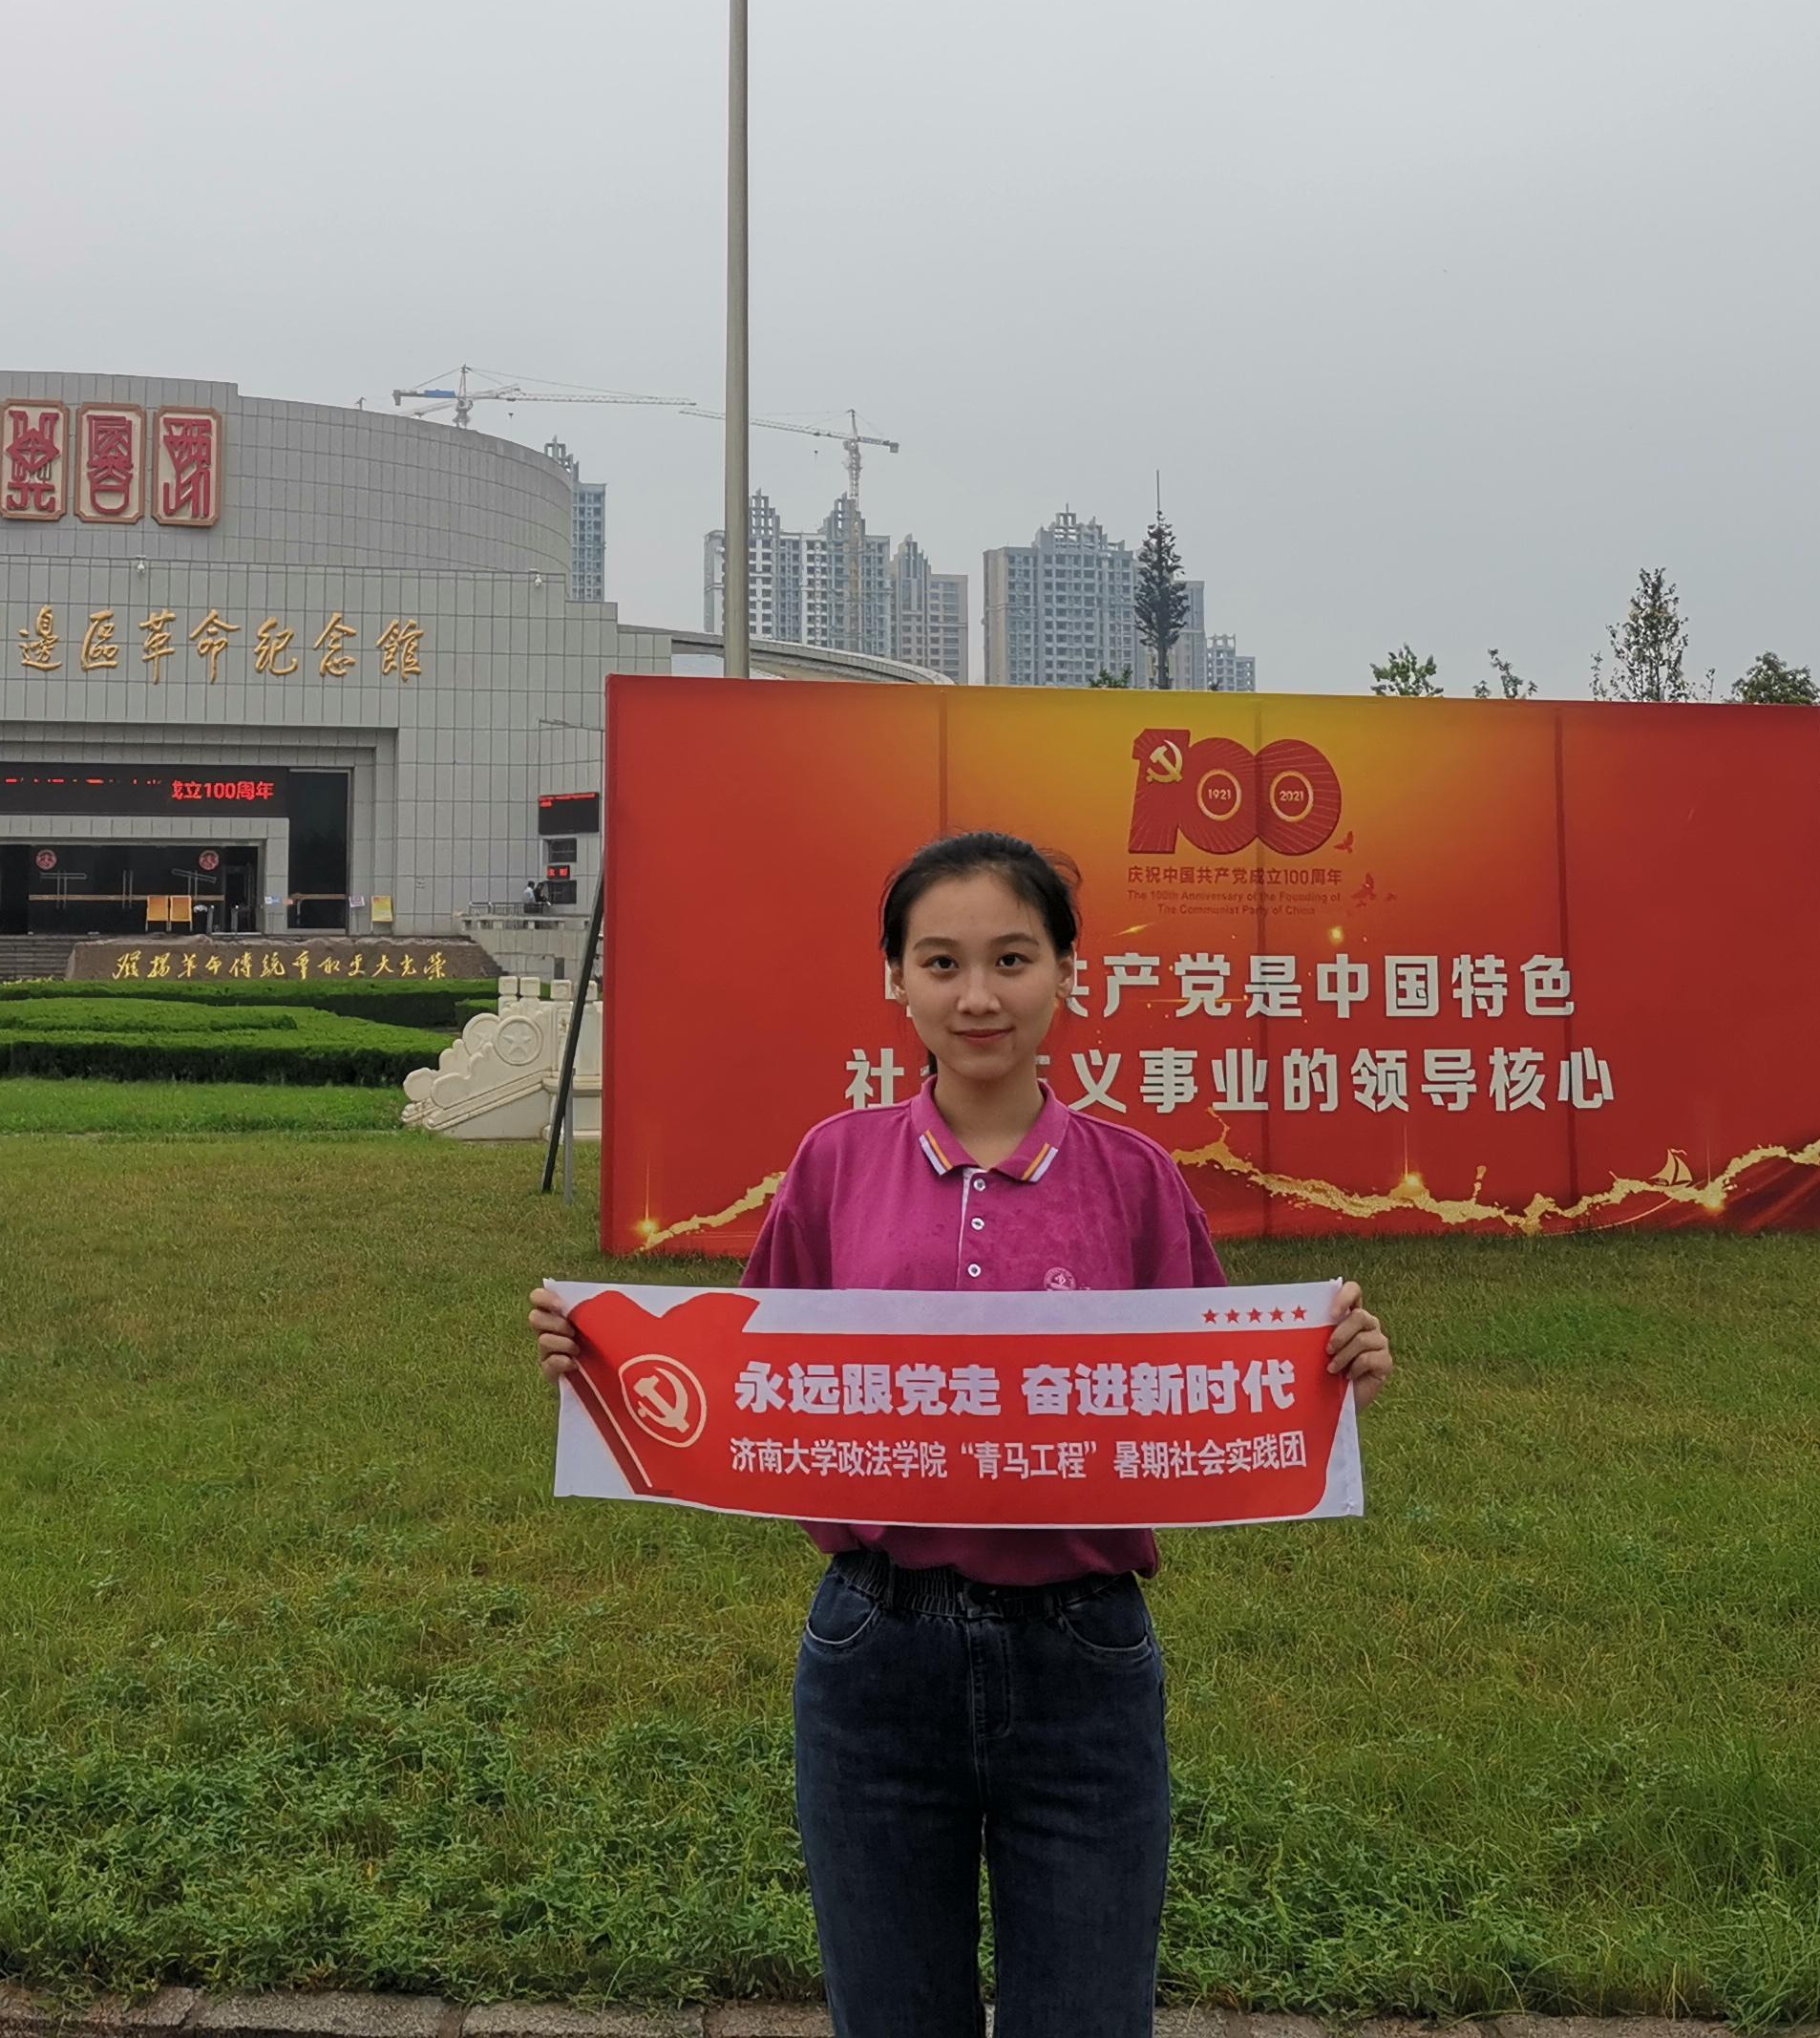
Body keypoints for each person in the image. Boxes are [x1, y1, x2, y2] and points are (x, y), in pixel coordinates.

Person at [531, 830, 1396, 2038]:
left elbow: (1217, 1383)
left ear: (1067, 975)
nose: (977, 995)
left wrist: (1328, 1373)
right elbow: (752, 1378)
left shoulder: (1134, 1178)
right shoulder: (833, 1165)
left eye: (1011, 959)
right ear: (895, 979)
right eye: (940, 962)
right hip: (872, 1658)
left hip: (1083, 1665)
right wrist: (608, 1358)